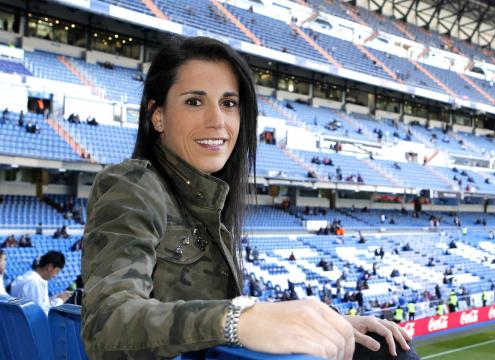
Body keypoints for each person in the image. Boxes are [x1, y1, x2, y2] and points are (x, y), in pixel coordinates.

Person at [80, 37, 411, 359]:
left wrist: (321, 325)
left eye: (229, 103)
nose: (217, 121)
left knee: (384, 349)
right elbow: (107, 326)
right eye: (194, 101)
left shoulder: (202, 200)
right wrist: (239, 318)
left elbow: (207, 322)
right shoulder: (133, 185)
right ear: (158, 115)